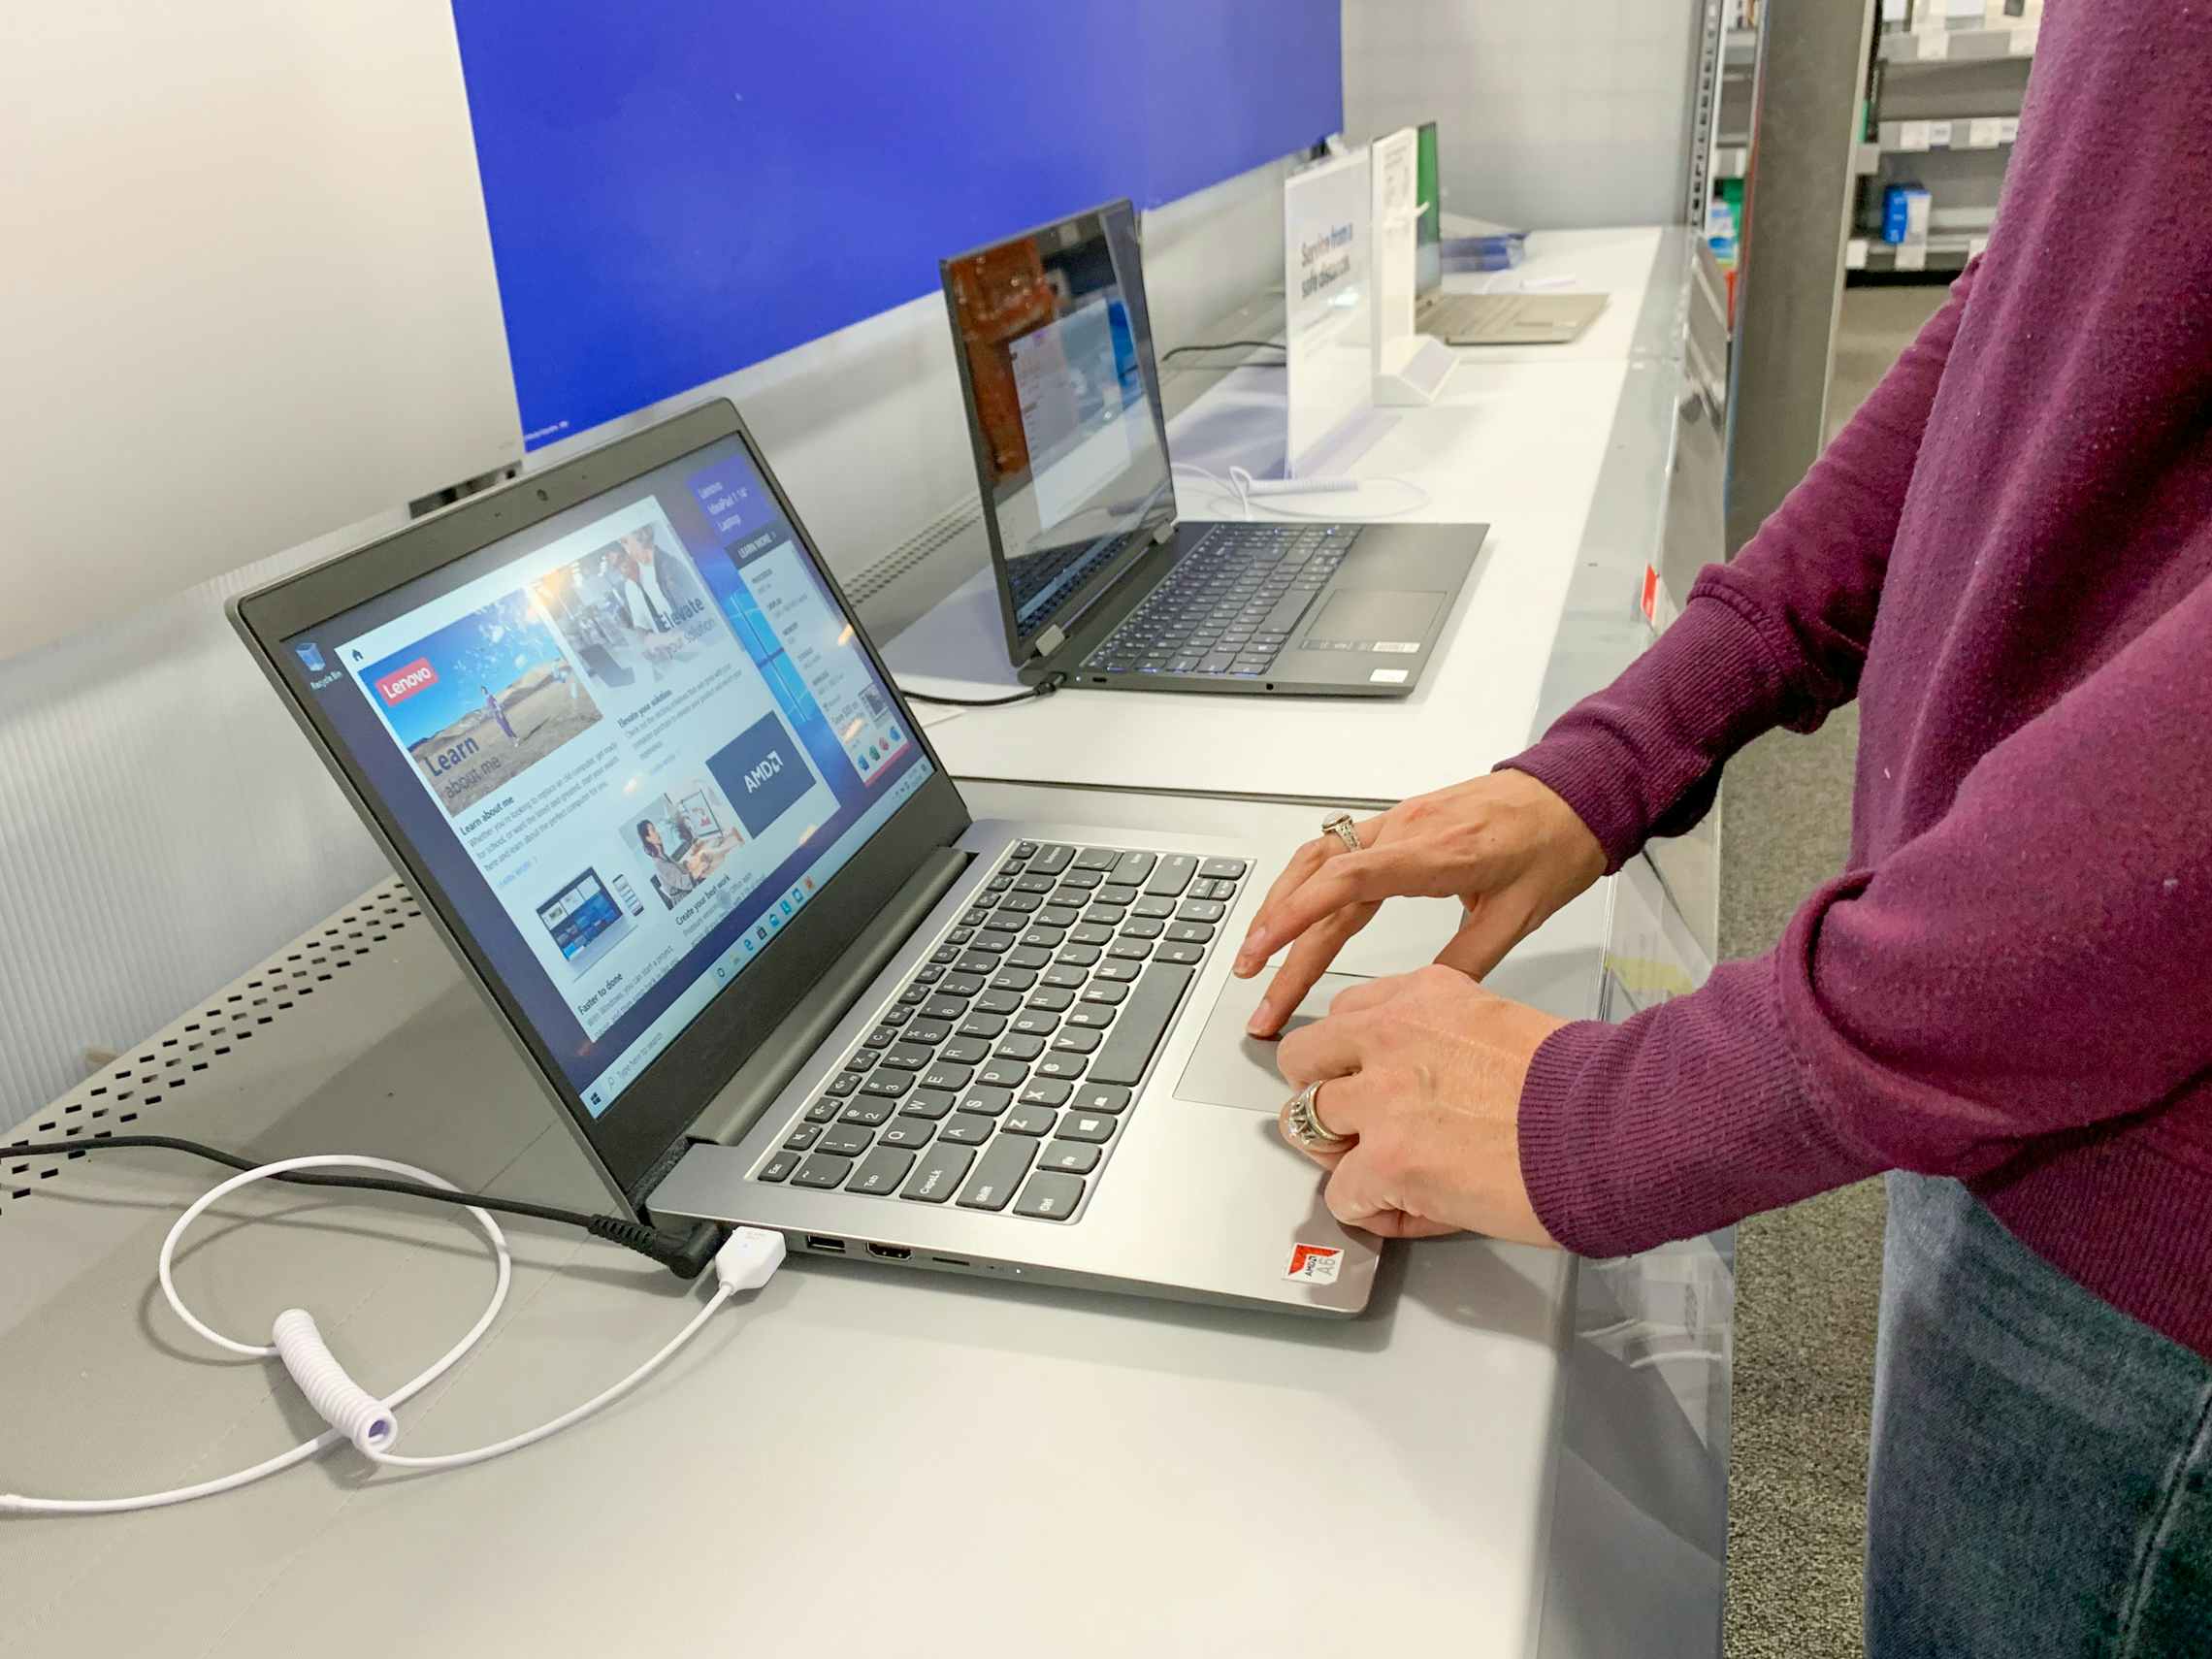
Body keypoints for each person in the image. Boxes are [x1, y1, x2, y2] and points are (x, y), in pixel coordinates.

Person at [1237, 14, 2210, 1655]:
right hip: (2003, 1046)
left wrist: (1623, 1113)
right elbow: (2064, 294)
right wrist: (1620, 753)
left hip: (2147, 1212)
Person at [636, 819, 695, 907]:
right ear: (647, 838)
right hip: (684, 901)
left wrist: (686, 864)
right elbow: (684, 882)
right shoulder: (659, 863)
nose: (658, 833)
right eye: (653, 830)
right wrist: (699, 868)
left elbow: (675, 871)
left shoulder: (662, 855)